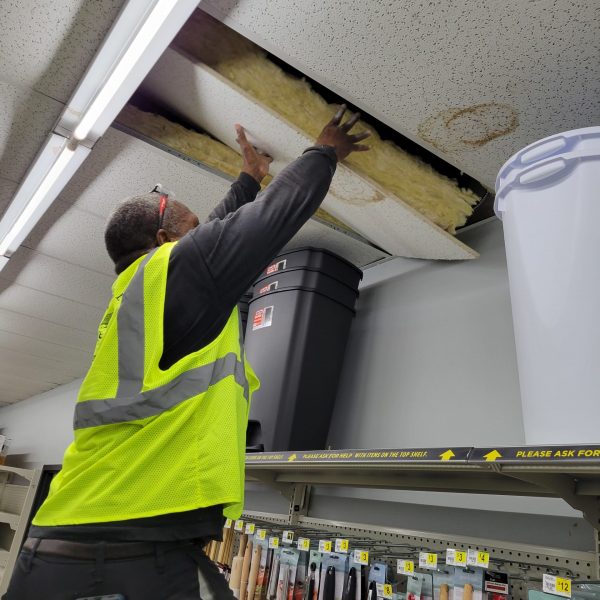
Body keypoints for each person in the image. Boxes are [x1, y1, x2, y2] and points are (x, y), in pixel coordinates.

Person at [5, 106, 370, 600]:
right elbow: (264, 222)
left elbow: (212, 238)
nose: (202, 236)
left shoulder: (134, 294)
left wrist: (247, 179)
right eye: (191, 228)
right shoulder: (173, 271)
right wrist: (325, 149)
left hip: (59, 543)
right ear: (163, 241)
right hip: (133, 548)